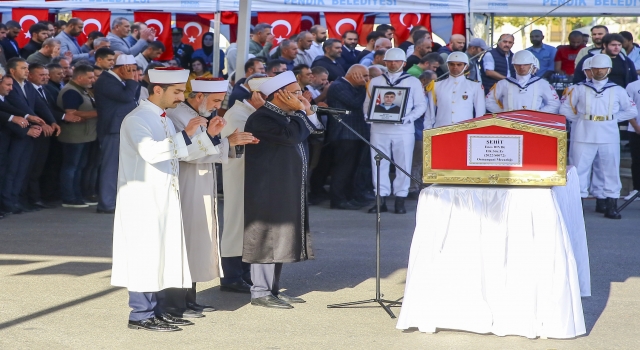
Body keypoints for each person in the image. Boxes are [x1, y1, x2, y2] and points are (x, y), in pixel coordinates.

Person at [111, 66, 226, 332]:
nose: (180, 97)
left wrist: (208, 136)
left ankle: (157, 310)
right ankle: (140, 314)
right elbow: (150, 152)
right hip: (142, 197)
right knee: (144, 254)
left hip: (163, 195)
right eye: (176, 92)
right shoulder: (137, 118)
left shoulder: (160, 117)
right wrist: (186, 134)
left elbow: (182, 153)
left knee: (161, 254)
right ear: (158, 89)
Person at [160, 77, 258, 317]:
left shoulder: (198, 114)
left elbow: (209, 146)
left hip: (201, 183)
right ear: (199, 97)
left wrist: (227, 142)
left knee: (196, 244)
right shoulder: (177, 116)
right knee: (185, 242)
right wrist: (224, 140)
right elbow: (186, 154)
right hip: (185, 184)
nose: (217, 106)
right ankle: (176, 304)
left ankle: (190, 299)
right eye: (214, 100)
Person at [243, 71, 323, 309]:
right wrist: (301, 113)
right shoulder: (262, 118)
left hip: (286, 185)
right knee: (266, 237)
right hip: (267, 188)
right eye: (297, 92)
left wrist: (306, 112)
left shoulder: (288, 116)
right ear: (281, 95)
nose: (302, 96)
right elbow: (291, 138)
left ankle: (273, 290)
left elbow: (316, 135)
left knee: (280, 238)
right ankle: (260, 292)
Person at [560, 54, 638, 219]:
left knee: (610, 170)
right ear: (590, 70)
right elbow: (565, 108)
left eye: (602, 68)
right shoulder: (579, 88)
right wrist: (581, 120)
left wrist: (611, 118)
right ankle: (577, 205)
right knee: (579, 169)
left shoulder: (617, 90)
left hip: (608, 135)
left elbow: (631, 110)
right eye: (595, 68)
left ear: (608, 69)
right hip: (584, 134)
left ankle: (611, 205)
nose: (599, 71)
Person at [363, 48, 427, 214]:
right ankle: (380, 199)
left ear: (404, 63)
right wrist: (367, 115)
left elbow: (421, 105)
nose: (393, 64)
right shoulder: (376, 81)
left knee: (403, 164)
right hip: (379, 129)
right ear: (384, 62)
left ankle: (400, 199)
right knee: (378, 164)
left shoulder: (412, 82)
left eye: (397, 61)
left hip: (403, 130)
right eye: (389, 61)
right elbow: (368, 103)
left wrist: (409, 118)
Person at [220, 78, 268, 293]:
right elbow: (251, 143)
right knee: (236, 224)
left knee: (249, 225)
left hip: (254, 177)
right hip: (240, 174)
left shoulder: (251, 111)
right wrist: (262, 114)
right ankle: (231, 276)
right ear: (258, 95)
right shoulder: (238, 114)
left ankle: (244, 273)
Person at [93, 54, 140, 214]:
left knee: (120, 167)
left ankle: (115, 200)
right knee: (110, 167)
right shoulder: (106, 81)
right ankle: (106, 203)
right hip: (113, 129)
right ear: (122, 69)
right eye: (131, 70)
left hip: (121, 128)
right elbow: (127, 97)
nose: (134, 74)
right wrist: (131, 81)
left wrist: (131, 81)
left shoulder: (118, 81)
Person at [0, 69, 45, 216]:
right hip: (10, 139)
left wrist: (29, 119)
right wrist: (25, 130)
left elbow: (10, 110)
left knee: (17, 171)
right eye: (7, 84)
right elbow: (8, 118)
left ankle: (12, 202)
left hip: (9, 141)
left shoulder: (4, 99)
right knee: (9, 172)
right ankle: (7, 203)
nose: (10, 88)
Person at [325, 64, 370, 209]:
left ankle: (349, 196)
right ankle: (338, 200)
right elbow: (355, 103)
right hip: (344, 134)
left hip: (355, 133)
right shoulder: (339, 86)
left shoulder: (353, 87)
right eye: (364, 76)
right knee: (343, 168)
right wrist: (364, 87)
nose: (367, 79)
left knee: (352, 168)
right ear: (354, 75)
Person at [55, 65, 97, 208]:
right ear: (79, 78)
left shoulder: (82, 90)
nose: (93, 79)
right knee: (71, 167)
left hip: (84, 135)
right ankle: (69, 197)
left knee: (79, 166)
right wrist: (98, 113)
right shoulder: (71, 92)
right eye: (90, 77)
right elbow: (71, 113)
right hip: (73, 136)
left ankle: (77, 195)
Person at [486, 50, 560, 114]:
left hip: (534, 125)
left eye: (526, 64)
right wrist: (503, 113)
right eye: (518, 65)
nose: (522, 67)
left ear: (531, 65)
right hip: (509, 124)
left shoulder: (542, 84)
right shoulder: (503, 83)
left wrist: (538, 114)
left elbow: (554, 103)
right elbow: (489, 101)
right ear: (514, 65)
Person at [426, 52, 485, 129]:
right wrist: (428, 131)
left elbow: (480, 113)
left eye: (459, 64)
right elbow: (430, 113)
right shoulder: (436, 85)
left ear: (466, 66)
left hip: (465, 130)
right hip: (441, 130)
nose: (455, 67)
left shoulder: (475, 86)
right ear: (447, 66)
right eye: (452, 64)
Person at [625, 78, 640, 202]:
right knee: (637, 160)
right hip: (635, 130)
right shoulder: (632, 86)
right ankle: (637, 189)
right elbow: (627, 108)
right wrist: (636, 126)